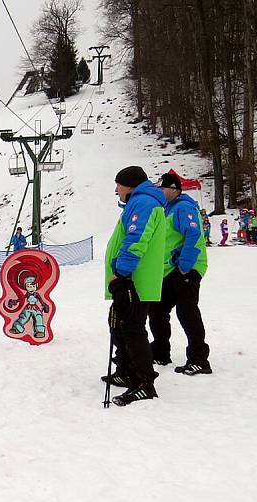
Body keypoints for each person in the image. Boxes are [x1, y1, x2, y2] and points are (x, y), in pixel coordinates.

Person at [102, 166, 166, 406]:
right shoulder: (140, 202)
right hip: (130, 278)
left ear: (129, 184)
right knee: (118, 324)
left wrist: (122, 272)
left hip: (134, 280)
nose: (116, 190)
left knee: (131, 327)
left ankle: (143, 382)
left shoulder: (143, 203)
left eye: (118, 184)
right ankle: (127, 370)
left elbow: (136, 239)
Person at [148, 172, 211, 375]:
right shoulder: (168, 209)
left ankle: (199, 358)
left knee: (187, 311)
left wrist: (185, 265)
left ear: (174, 189)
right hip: (169, 269)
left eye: (163, 188)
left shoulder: (184, 207)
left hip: (186, 268)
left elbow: (193, 234)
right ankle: (160, 351)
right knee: (157, 310)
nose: (160, 191)